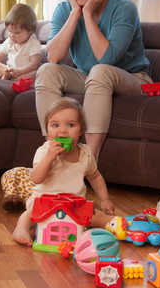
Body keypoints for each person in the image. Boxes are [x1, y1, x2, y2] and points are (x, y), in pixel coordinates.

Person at [36, 0, 152, 162]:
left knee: (100, 71)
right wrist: (75, 13)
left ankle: (88, 162)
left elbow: (106, 59)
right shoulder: (65, 9)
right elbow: (53, 57)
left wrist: (87, 13)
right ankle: (52, 156)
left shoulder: (124, 7)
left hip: (134, 79)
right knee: (46, 71)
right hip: (90, 78)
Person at [12, 97, 115, 246]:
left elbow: (95, 177)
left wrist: (105, 200)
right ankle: (21, 229)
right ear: (47, 129)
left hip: (74, 205)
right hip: (45, 202)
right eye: (55, 125)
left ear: (82, 130)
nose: (62, 130)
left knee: (95, 214)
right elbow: (36, 178)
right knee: (30, 213)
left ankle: (112, 224)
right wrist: (49, 158)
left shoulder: (85, 154)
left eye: (71, 125)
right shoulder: (44, 151)